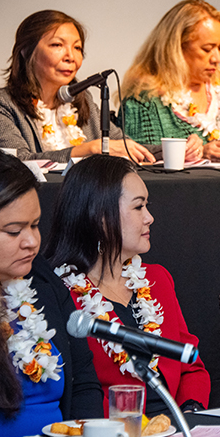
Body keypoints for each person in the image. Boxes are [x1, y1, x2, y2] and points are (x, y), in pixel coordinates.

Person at [43, 155, 210, 414]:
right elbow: (75, 391)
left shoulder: (157, 279)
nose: (150, 217)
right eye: (138, 207)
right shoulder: (60, 293)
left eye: (147, 205)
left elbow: (191, 367)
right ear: (100, 217)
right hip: (110, 436)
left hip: (174, 428)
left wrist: (190, 410)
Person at [0, 150, 102, 437]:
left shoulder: (42, 279)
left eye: (35, 225)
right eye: (14, 231)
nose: (31, 242)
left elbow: (83, 382)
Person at [0, 10, 155, 163]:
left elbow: (125, 146)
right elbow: (16, 162)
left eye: (77, 48)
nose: (71, 56)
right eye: (57, 45)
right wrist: (89, 149)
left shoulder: (83, 100)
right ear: (26, 51)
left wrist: (176, 150)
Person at [122, 0, 220, 163]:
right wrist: (200, 153)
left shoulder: (219, 94)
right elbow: (140, 164)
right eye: (207, 49)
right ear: (177, 47)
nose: (217, 58)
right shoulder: (144, 99)